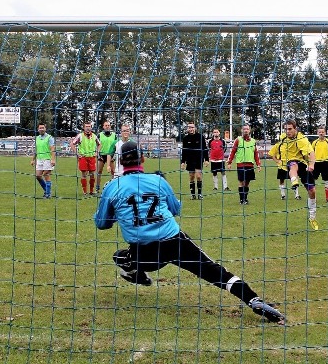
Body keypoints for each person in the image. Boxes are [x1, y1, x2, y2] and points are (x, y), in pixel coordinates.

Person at [94, 141, 285, 324]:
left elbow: (102, 224)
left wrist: (117, 209)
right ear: (142, 158)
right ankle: (253, 300)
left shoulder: (113, 187)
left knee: (120, 257)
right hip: (174, 242)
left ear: (119, 162)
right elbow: (175, 210)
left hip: (144, 253)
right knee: (213, 271)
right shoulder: (157, 180)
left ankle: (139, 275)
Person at [269, 119, 318, 230]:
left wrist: (312, 165)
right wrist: (278, 161)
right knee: (293, 165)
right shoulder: (282, 139)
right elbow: (273, 151)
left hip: (303, 163)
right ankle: (294, 181)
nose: (288, 131)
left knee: (312, 190)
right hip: (291, 162)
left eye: (290, 129)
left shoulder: (301, 139)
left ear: (295, 128)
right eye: (286, 129)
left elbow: (311, 153)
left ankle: (312, 216)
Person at [227, 124, 261, 204]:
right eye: (244, 129)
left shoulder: (253, 141)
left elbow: (256, 153)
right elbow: (233, 151)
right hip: (241, 164)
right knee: (241, 182)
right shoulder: (238, 140)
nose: (246, 130)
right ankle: (241, 200)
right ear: (242, 130)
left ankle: (245, 199)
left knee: (247, 182)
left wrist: (258, 164)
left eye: (247, 129)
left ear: (249, 131)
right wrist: (229, 162)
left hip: (250, 165)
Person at [70, 121, 100, 196]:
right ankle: (85, 191)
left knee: (92, 174)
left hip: (92, 157)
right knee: (84, 174)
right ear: (84, 128)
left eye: (89, 126)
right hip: (83, 157)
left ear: (91, 127)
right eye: (86, 126)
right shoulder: (80, 136)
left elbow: (99, 144)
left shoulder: (94, 136)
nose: (88, 128)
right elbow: (72, 144)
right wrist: (77, 153)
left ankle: (91, 191)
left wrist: (97, 152)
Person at [180, 122, 209, 199]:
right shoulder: (185, 138)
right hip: (190, 160)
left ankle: (199, 194)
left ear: (195, 128)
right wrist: (182, 162)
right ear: (187, 129)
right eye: (189, 127)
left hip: (199, 159)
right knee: (191, 177)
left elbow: (205, 148)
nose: (191, 129)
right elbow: (184, 151)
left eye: (192, 127)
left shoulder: (200, 137)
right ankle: (193, 195)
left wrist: (206, 159)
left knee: (199, 176)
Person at [30, 123, 56, 199]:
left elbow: (52, 149)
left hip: (47, 159)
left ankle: (48, 194)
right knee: (38, 176)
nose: (41, 129)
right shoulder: (37, 138)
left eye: (43, 128)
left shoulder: (49, 137)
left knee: (46, 174)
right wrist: (32, 160)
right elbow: (36, 150)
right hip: (39, 159)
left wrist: (53, 159)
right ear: (38, 129)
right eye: (40, 128)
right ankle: (47, 190)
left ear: (45, 129)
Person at [312, 126, 328, 202]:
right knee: (312, 180)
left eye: (322, 132)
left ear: (325, 133)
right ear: (317, 133)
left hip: (326, 163)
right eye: (320, 132)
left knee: (327, 181)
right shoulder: (314, 143)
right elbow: (311, 153)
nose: (321, 133)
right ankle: (312, 197)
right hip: (316, 163)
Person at [97, 120, 118, 192]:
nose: (107, 126)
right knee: (99, 171)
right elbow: (96, 145)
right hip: (102, 155)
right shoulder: (99, 135)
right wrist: (98, 154)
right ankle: (97, 187)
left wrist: (114, 155)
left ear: (110, 126)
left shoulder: (114, 135)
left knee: (113, 172)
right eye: (106, 125)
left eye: (108, 125)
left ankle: (113, 187)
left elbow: (116, 146)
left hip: (111, 155)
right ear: (103, 126)